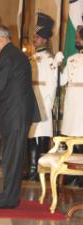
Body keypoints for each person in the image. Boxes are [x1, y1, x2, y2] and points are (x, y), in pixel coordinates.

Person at [0, 26, 40, 209]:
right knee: (13, 157)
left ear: (0, 39)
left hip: (14, 114)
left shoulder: (6, 56)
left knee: (12, 158)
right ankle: (9, 197)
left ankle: (8, 199)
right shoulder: (16, 55)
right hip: (18, 113)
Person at [26, 13, 63, 180]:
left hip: (42, 103)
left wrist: (46, 105)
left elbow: (53, 84)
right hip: (31, 101)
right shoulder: (31, 58)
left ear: (46, 40)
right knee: (31, 136)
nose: (35, 39)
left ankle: (40, 169)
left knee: (41, 135)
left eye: (38, 37)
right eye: (34, 36)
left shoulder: (50, 60)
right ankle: (32, 169)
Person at [61, 26, 83, 187]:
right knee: (71, 137)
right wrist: (57, 65)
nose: (76, 40)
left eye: (78, 37)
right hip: (71, 100)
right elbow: (62, 80)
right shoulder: (71, 58)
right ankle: (71, 172)